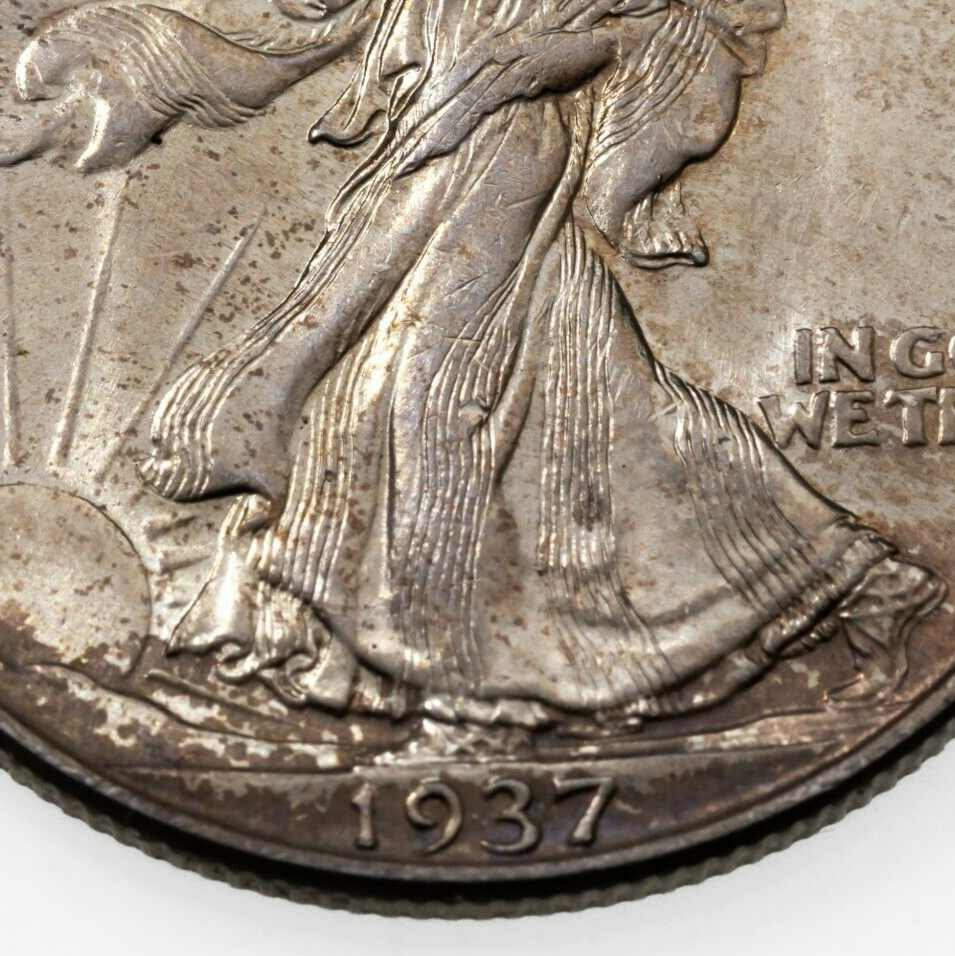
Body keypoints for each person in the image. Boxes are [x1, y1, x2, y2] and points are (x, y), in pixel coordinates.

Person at [8, 0, 945, 727]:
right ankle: (852, 583)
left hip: (497, 147)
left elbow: (610, 34)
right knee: (574, 386)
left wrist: (504, 78)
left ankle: (443, 663)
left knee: (420, 397)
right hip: (451, 139)